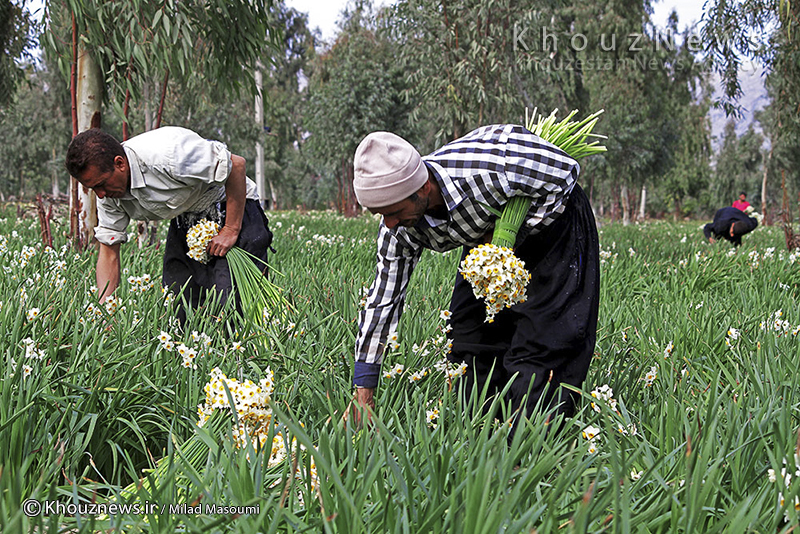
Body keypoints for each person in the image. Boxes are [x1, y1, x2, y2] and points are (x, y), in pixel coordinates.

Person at [350, 125, 600, 430]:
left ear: (422, 188)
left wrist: (510, 236)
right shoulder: (398, 229)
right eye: (380, 214)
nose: (389, 224)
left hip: (552, 224)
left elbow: (565, 172)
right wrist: (365, 389)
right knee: (471, 339)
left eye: (393, 211)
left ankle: (530, 448)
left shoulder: (493, 166)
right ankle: (484, 436)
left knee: (544, 341)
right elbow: (384, 300)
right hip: (487, 241)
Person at [65, 127, 272, 320]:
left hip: (230, 205)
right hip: (187, 215)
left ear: (120, 163)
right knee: (180, 299)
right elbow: (109, 251)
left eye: (101, 184)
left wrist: (230, 229)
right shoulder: (109, 196)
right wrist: (105, 312)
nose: (100, 195)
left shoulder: (168, 155)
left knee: (232, 301)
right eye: (93, 189)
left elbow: (236, 165)